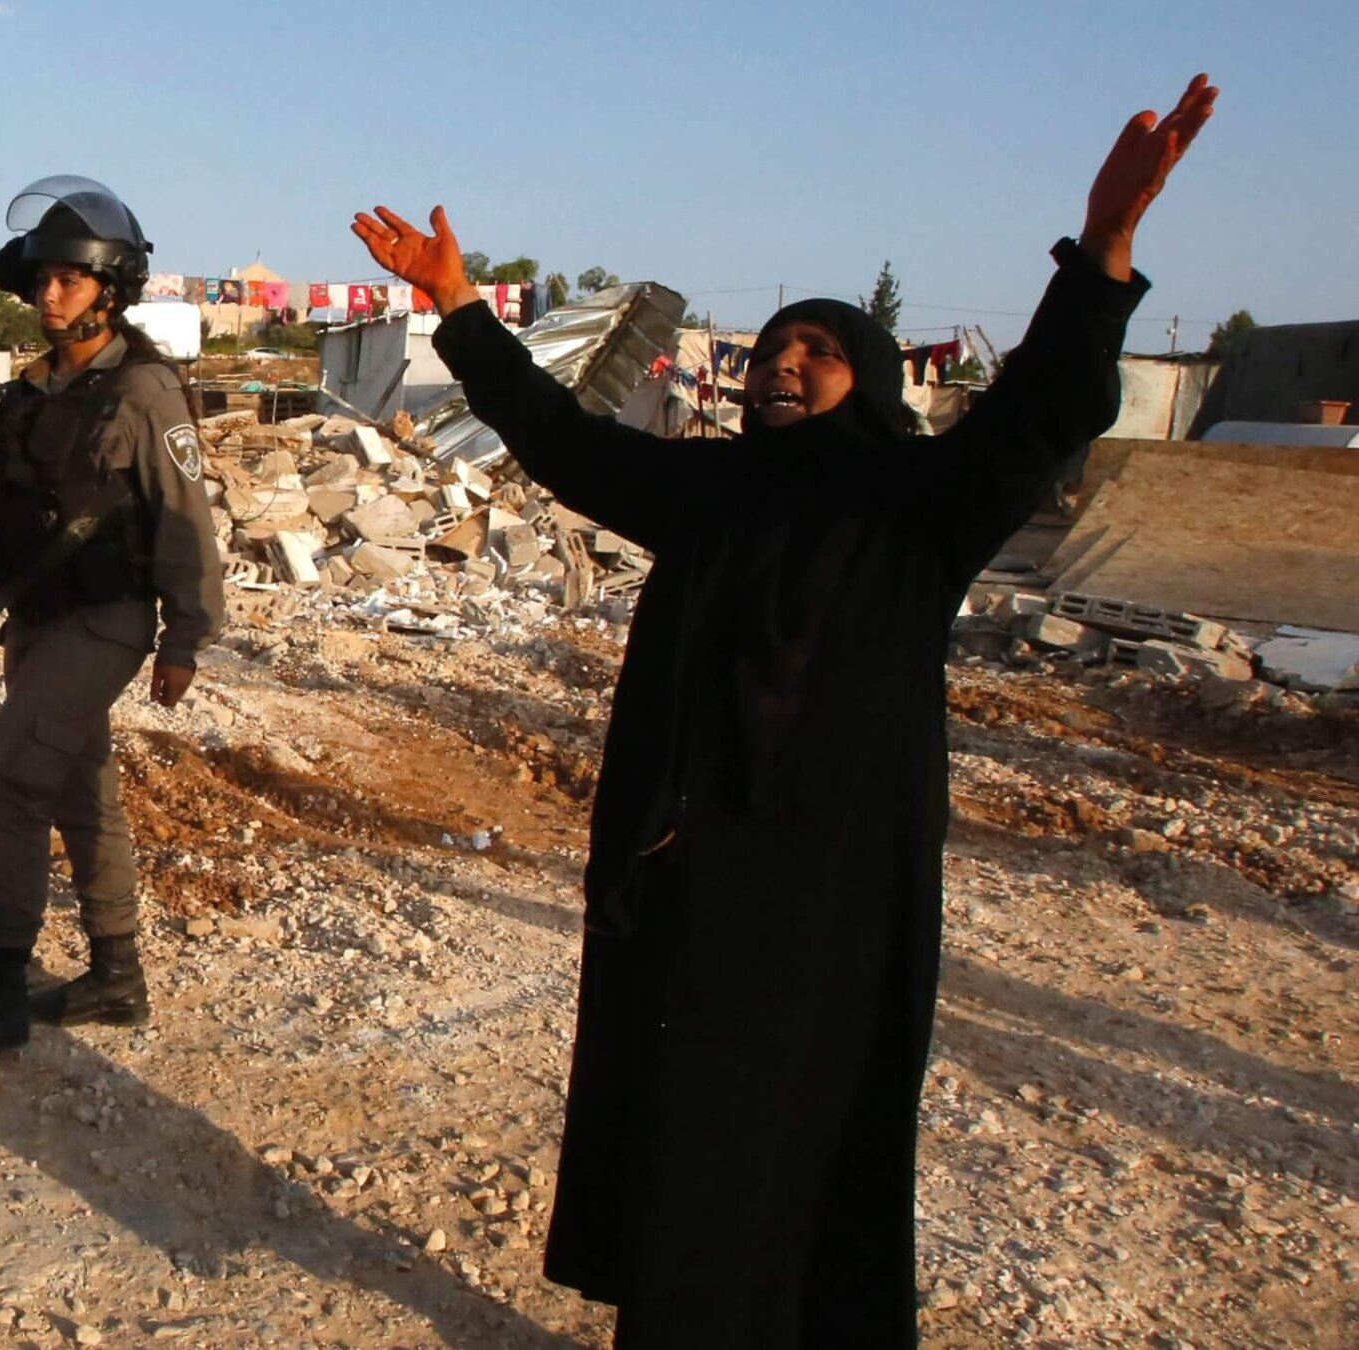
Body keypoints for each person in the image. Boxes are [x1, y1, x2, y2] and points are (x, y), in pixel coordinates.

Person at [353, 76, 1215, 1348]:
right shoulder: (706, 493)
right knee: (685, 1122)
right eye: (768, 348)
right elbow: (552, 434)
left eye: (813, 349)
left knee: (809, 1124)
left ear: (861, 378)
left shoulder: (923, 505)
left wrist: (1103, 248)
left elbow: (1044, 404)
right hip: (690, 870)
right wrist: (463, 312)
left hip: (835, 895)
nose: (782, 363)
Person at [0, 176, 226, 1063]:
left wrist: (187, 635)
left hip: (107, 618)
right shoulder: (20, 398)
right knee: (80, 788)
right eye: (41, 279)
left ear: (108, 291)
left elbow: (185, 520)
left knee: (7, 783)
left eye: (70, 280)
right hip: (31, 618)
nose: (49, 295)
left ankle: (3, 984)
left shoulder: (145, 391)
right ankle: (116, 974)